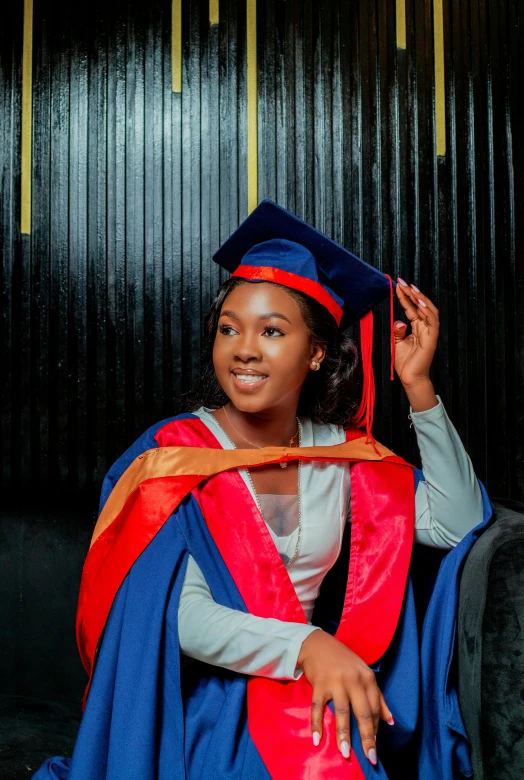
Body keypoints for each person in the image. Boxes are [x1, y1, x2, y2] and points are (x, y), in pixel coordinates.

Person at [34, 201, 491, 780]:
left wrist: (420, 388)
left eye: (272, 331)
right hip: (201, 692)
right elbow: (179, 617)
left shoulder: (339, 455)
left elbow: (456, 521)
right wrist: (308, 645)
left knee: (340, 750)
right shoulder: (172, 457)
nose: (244, 349)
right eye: (229, 329)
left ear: (317, 352)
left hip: (310, 684)